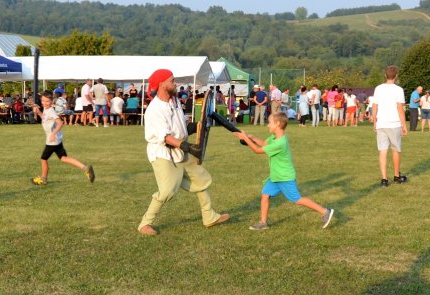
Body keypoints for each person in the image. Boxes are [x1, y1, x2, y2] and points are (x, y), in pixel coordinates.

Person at [138, 69, 230, 236]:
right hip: (163, 153)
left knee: (199, 178)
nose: (175, 83)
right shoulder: (155, 109)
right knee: (167, 190)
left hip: (180, 149)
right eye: (172, 80)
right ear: (162, 84)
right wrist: (188, 147)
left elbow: (181, 128)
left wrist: (195, 127)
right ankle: (145, 224)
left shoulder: (175, 102)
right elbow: (165, 137)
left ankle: (209, 216)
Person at [233, 112, 334, 230]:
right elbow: (264, 144)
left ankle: (325, 211)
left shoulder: (280, 143)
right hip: (275, 176)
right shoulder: (275, 137)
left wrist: (245, 138)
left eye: (270, 123)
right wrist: (252, 137)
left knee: (297, 199)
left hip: (284, 177)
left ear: (277, 124)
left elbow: (258, 150)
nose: (268, 125)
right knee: (265, 195)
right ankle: (263, 222)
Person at [30, 90, 95, 185]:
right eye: (43, 100)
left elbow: (60, 123)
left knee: (43, 159)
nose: (45, 103)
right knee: (63, 158)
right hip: (57, 140)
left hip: (52, 141)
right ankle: (86, 168)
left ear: (52, 101)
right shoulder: (46, 109)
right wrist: (39, 111)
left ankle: (43, 179)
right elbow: (45, 118)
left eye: (47, 101)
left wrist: (53, 134)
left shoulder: (51, 111)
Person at [372, 65, 407, 187]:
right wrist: (404, 125)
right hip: (394, 123)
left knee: (382, 150)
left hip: (381, 123)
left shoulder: (378, 89)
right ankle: (396, 175)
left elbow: (374, 106)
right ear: (396, 76)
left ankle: (384, 179)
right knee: (396, 149)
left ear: (385, 75)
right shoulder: (398, 90)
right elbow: (400, 108)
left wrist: (374, 122)